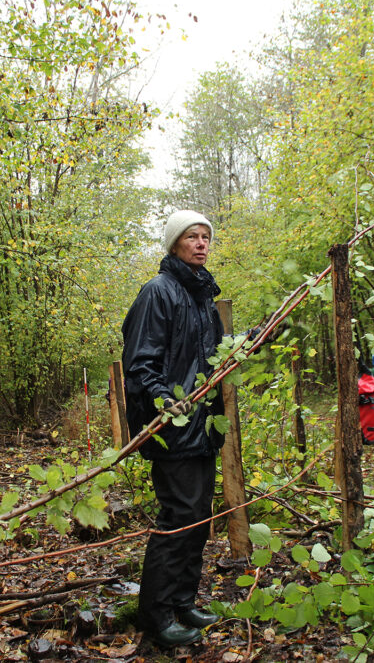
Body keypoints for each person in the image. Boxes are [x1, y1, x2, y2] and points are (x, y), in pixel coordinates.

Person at [121, 209, 225, 647]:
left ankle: (183, 601)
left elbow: (214, 359)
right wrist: (166, 402)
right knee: (178, 518)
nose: (201, 243)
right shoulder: (157, 292)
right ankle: (156, 615)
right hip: (171, 428)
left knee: (198, 517)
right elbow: (140, 362)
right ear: (174, 244)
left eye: (206, 237)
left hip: (202, 428)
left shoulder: (203, 296)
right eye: (192, 237)